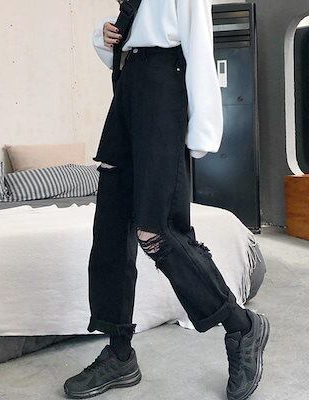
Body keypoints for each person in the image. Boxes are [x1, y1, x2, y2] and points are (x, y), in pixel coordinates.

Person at [64, 1, 270, 399]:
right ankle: (119, 354)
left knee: (157, 231)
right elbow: (131, 38)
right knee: (110, 229)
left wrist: (203, 131)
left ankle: (242, 326)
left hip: (163, 89)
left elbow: (198, 44)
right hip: (128, 87)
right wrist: (105, 37)